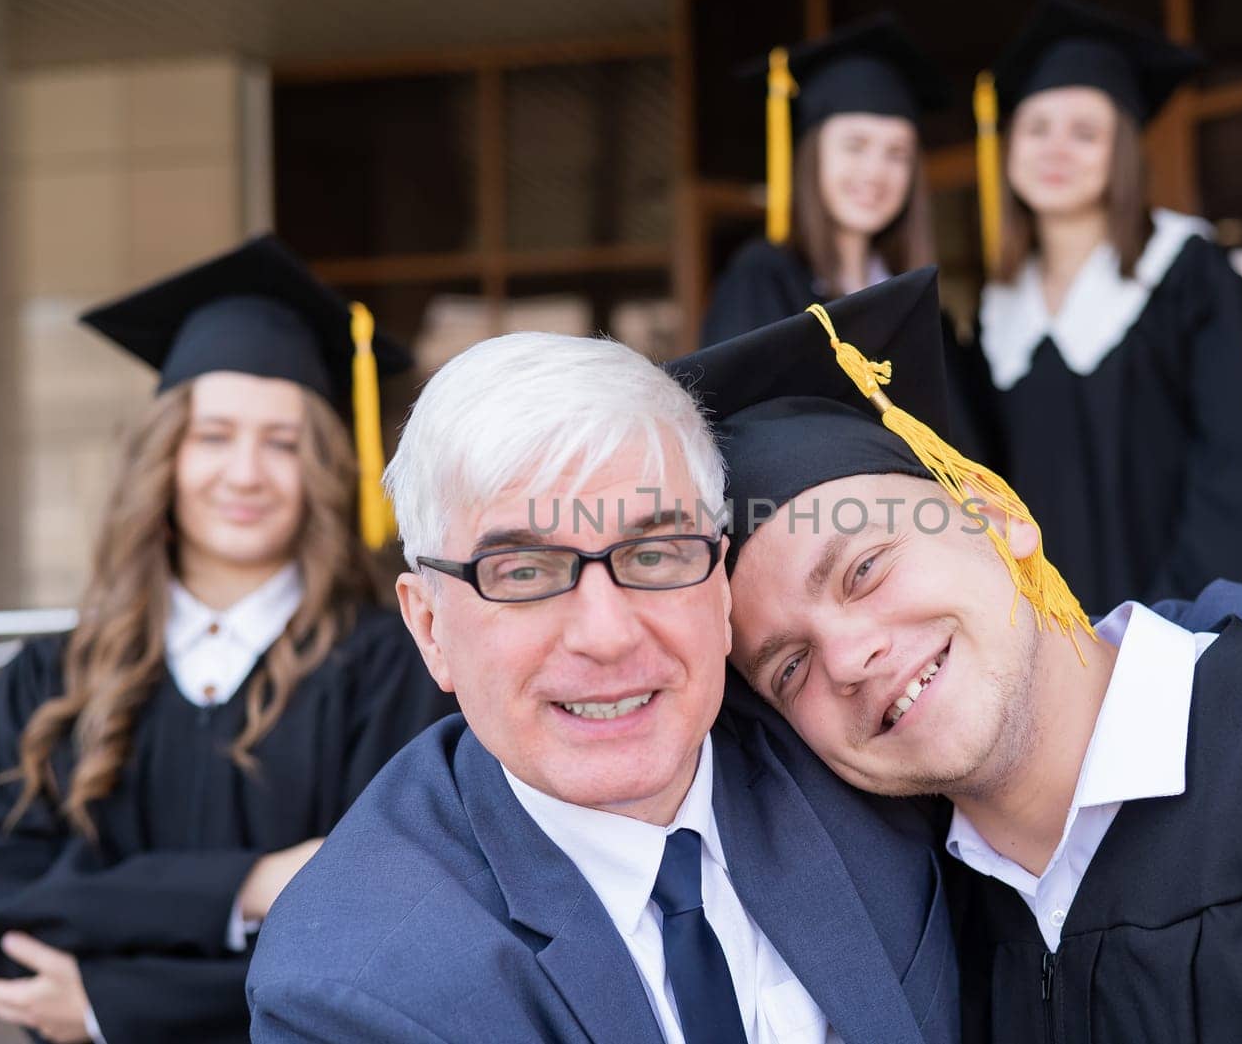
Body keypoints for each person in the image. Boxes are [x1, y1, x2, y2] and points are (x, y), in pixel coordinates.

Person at [678, 269, 1242, 1043]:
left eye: (865, 568)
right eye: (787, 666)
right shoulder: (933, 930)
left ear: (995, 518)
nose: (849, 655)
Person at [245, 332, 961, 1043]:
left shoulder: (866, 748)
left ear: (719, 586)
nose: (607, 633)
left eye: (654, 553)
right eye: (523, 571)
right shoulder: (355, 988)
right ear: (430, 627)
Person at [0, 236, 454, 1044]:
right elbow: (1, 905)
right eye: (213, 435)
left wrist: (108, 999)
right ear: (163, 455)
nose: (246, 473)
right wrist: (256, 885)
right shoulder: (52, 678)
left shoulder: (393, 668)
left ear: (323, 466)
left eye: (283, 442)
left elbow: (392, 929)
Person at [964, 0, 1242, 613]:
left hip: (1182, 625)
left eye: (1085, 132)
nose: (1056, 150)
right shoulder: (999, 311)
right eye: (1037, 128)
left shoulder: (1188, 277)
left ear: (1121, 152)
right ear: (1009, 145)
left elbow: (1237, 478)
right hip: (1051, 634)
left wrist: (1166, 628)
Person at [699, 14, 946, 346]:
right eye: (854, 146)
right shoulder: (763, 281)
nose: (875, 171)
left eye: (897, 153)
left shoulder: (919, 307)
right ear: (813, 157)